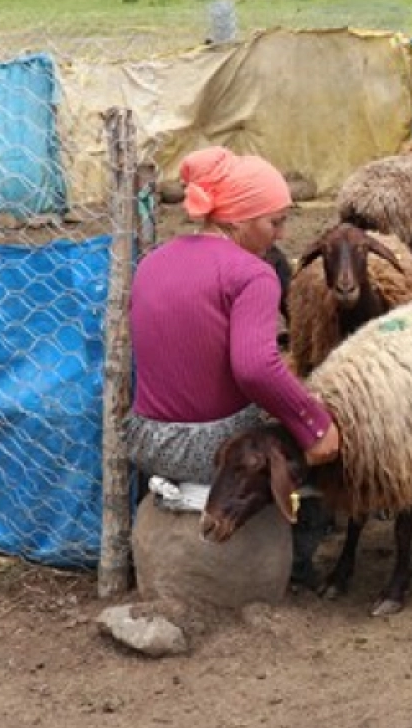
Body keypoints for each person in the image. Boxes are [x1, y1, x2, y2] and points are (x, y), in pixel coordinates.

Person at [128, 146, 341, 488]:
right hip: (209, 447)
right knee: (323, 439)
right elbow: (256, 368)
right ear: (240, 218)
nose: (282, 235)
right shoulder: (252, 274)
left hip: (145, 439)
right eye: (275, 222)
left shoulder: (153, 261)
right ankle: (296, 520)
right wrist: (314, 425)